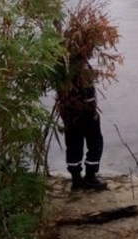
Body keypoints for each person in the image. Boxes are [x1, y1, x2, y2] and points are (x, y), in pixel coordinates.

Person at [56, 55, 107, 191]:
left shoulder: (59, 65)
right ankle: (90, 177)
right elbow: (87, 88)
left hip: (68, 112)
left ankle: (76, 179)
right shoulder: (80, 65)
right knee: (95, 142)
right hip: (85, 111)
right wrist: (93, 111)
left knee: (73, 144)